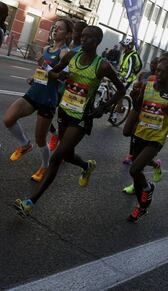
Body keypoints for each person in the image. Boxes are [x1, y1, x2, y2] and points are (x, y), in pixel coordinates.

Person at [14, 25, 126, 216]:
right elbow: (53, 72)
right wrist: (53, 74)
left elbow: (121, 89)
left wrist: (102, 108)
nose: (83, 40)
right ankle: (86, 166)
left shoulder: (102, 66)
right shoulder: (71, 57)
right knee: (67, 154)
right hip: (64, 112)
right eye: (82, 37)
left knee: (57, 157)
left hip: (82, 117)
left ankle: (30, 202)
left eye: (88, 38)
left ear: (97, 42)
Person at [122, 52, 168, 222]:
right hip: (140, 133)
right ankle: (142, 206)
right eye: (157, 70)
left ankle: (148, 188)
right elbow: (139, 106)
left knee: (135, 169)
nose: (158, 73)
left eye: (162, 72)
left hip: (156, 138)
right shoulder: (147, 85)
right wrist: (134, 97)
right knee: (136, 175)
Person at [3, 19, 73, 182]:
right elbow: (41, 72)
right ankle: (25, 145)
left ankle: (44, 166)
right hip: (34, 93)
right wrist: (33, 78)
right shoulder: (46, 49)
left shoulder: (65, 52)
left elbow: (63, 78)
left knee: (41, 139)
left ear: (68, 34)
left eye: (60, 29)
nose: (55, 30)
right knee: (8, 119)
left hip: (48, 100)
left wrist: (44, 64)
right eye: (54, 27)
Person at [48, 20, 88, 152]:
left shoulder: (80, 50)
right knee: (45, 110)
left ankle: (62, 146)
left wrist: (49, 71)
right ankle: (56, 136)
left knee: (61, 119)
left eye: (75, 30)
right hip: (59, 86)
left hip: (70, 92)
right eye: (73, 30)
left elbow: (64, 73)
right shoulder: (68, 46)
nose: (73, 32)